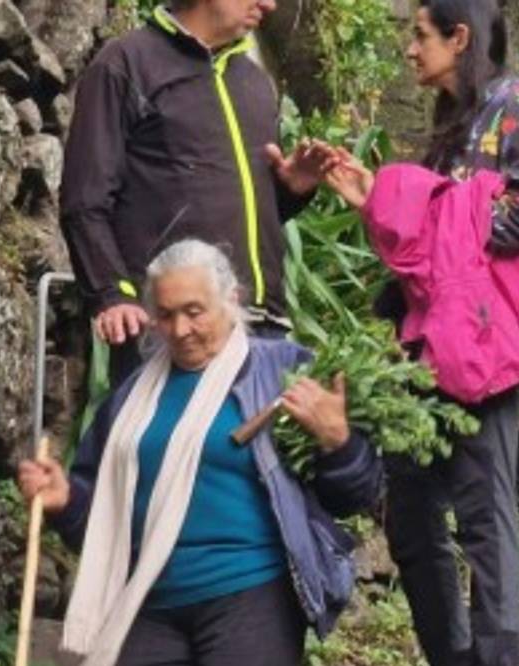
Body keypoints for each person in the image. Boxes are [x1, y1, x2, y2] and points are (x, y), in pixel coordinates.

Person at [16, 239, 382, 666]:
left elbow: (356, 493)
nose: (180, 330)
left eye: (194, 311)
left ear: (230, 299)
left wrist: (338, 441)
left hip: (253, 590)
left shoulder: (284, 371)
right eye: (165, 315)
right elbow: (99, 512)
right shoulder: (133, 395)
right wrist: (64, 501)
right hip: (157, 594)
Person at [321, 0, 519, 666]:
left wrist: (425, 207)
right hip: (426, 346)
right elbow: (428, 245)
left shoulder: (514, 108)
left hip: (482, 347)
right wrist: (377, 201)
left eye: (418, 34)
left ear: (459, 37)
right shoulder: (451, 123)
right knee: (412, 516)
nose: (407, 49)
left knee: (485, 516)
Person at [60, 0, 336, 385]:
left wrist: (292, 189)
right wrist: (111, 292)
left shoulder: (255, 83)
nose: (269, 4)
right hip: (174, 329)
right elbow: (85, 197)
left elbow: (238, 207)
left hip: (262, 327)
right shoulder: (125, 64)